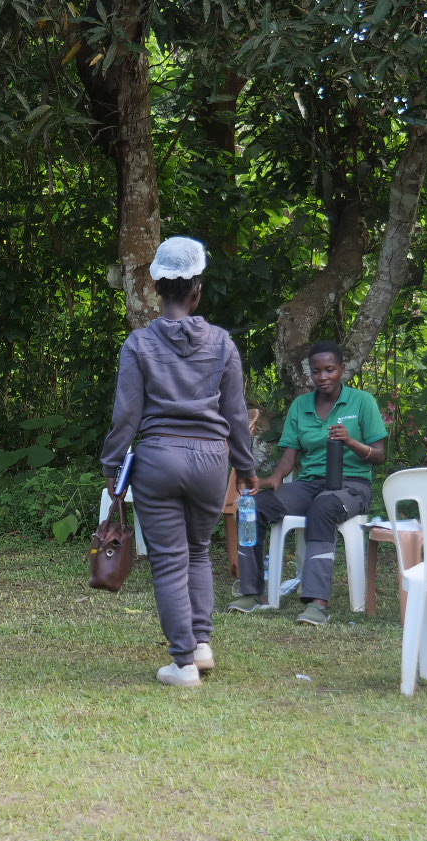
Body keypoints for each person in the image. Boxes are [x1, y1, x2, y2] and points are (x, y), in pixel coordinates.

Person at [99, 237, 257, 687]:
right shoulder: (223, 344)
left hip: (158, 459)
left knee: (169, 560)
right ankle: (201, 646)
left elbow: (126, 415)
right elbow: (236, 415)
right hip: (211, 461)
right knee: (198, 552)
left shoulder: (138, 344)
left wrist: (113, 467)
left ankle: (183, 662)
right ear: (197, 290)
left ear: (156, 289)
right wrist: (245, 470)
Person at [238, 341, 388, 624]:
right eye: (316, 371)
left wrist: (350, 441)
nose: (323, 377)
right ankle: (251, 592)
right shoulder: (301, 405)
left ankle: (317, 602)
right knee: (252, 506)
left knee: (324, 506)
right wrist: (272, 480)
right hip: (310, 484)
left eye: (329, 369)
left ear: (342, 369)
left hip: (353, 486)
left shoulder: (362, 401)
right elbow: (289, 456)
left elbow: (379, 456)